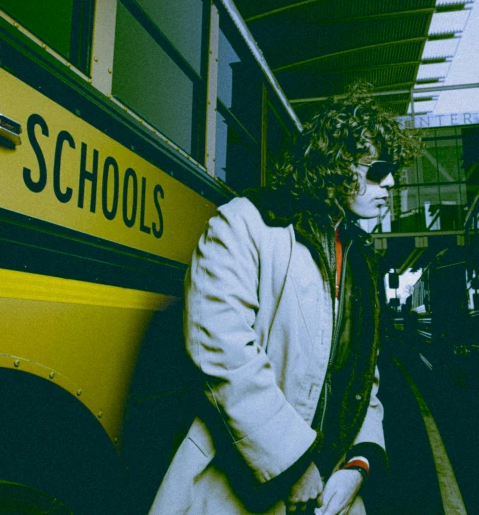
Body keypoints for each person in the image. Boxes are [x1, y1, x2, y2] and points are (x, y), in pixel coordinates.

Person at [150, 82, 420, 515]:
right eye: (376, 169)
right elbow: (220, 350)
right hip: (235, 492)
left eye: (393, 172)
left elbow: (362, 379)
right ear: (335, 163)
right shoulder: (246, 223)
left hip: (329, 493)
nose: (389, 183)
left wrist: (358, 463)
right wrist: (294, 465)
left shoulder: (358, 262)